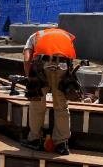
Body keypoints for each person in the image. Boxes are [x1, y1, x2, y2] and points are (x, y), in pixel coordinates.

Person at [20, 26, 77, 155]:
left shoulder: (35, 36)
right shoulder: (65, 35)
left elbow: (27, 58)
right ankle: (61, 144)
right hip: (63, 65)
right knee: (61, 106)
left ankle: (34, 139)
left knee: (37, 103)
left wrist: (30, 78)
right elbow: (70, 57)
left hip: (42, 66)